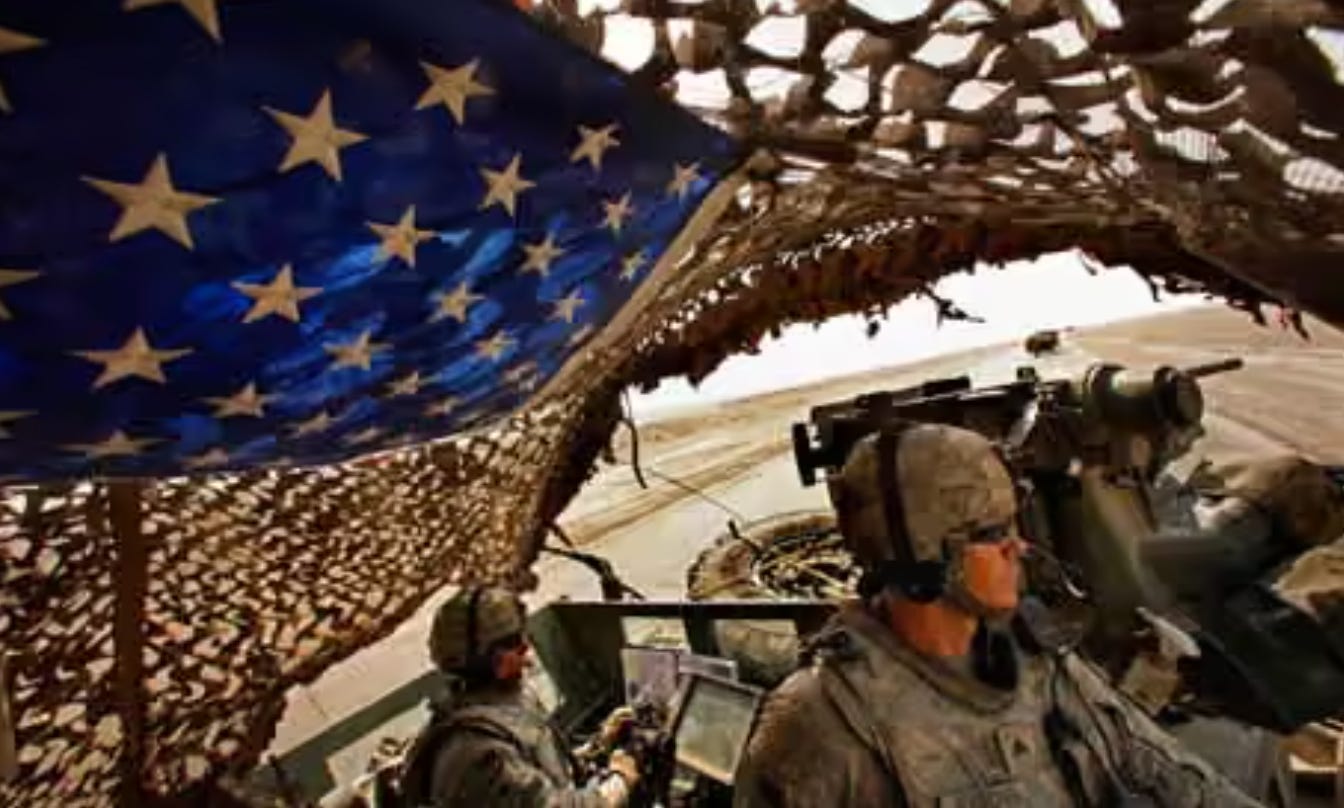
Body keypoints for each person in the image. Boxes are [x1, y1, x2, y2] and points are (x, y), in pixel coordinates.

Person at [734, 423, 1262, 807]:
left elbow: (1163, 768)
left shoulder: (1036, 655)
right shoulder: (818, 726)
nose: (1020, 547)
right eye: (993, 534)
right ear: (922, 555)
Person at [397, 586, 640, 807]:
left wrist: (598, 745)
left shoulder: (502, 704)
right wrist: (619, 781)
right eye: (517, 646)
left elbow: (542, 776)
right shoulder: (478, 753)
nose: (528, 656)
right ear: (488, 658)